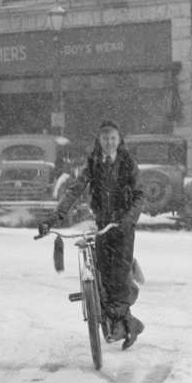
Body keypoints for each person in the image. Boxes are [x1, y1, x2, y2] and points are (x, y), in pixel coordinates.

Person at [39, 119, 146, 350]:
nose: (109, 143)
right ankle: (123, 323)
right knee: (103, 276)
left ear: (119, 140)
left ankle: (124, 323)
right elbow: (76, 189)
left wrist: (128, 220)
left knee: (118, 278)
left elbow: (139, 195)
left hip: (123, 227)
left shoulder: (128, 164)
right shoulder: (94, 164)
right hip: (102, 225)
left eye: (113, 138)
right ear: (99, 141)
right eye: (105, 138)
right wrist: (55, 217)